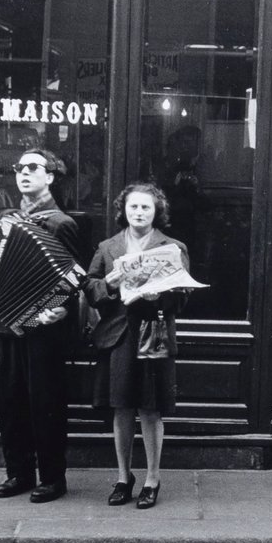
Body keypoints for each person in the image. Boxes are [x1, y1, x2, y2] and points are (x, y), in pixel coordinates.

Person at [0, 148, 84, 503]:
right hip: (7, 322)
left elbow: (72, 280)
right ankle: (18, 473)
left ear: (50, 177)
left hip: (44, 327)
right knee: (9, 401)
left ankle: (53, 478)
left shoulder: (62, 223)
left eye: (33, 168)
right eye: (19, 167)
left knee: (45, 402)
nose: (23, 173)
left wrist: (58, 310)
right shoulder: (8, 218)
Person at [83, 182, 190, 509]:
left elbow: (183, 297)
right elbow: (89, 288)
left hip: (153, 330)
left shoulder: (172, 247)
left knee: (150, 407)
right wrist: (109, 284)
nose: (139, 212)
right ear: (123, 210)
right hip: (118, 333)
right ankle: (123, 476)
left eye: (146, 207)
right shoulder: (108, 246)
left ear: (157, 211)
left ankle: (152, 478)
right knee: (122, 406)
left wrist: (163, 293)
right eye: (133, 207)